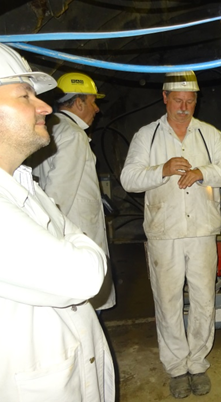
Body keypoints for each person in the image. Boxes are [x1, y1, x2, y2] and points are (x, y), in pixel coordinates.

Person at [0, 43, 115, 400]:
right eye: (25, 96)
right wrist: (76, 243)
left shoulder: (22, 179)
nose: (45, 107)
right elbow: (84, 271)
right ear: (79, 103)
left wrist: (68, 238)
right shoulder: (73, 135)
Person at [120, 71, 221, 399]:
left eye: (190, 101)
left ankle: (197, 363)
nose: (184, 107)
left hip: (201, 231)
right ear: (165, 98)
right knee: (168, 299)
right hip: (164, 231)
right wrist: (163, 169)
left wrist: (203, 172)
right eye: (177, 100)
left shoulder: (209, 135)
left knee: (203, 298)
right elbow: (129, 178)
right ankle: (176, 367)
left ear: (196, 101)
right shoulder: (147, 135)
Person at [31, 72, 115, 311]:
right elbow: (59, 193)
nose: (97, 109)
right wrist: (53, 236)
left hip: (66, 232)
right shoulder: (73, 135)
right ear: (79, 102)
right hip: (76, 232)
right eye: (93, 102)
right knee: (86, 306)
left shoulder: (50, 129)